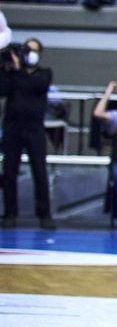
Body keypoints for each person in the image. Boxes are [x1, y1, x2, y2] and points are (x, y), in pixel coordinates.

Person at [0, 38, 54, 228]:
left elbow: (35, 87)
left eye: (33, 50)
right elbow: (3, 91)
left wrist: (17, 73)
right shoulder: (10, 74)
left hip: (34, 128)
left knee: (39, 171)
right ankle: (9, 213)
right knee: (9, 172)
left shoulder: (44, 74)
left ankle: (44, 214)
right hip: (13, 127)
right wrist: (10, 70)